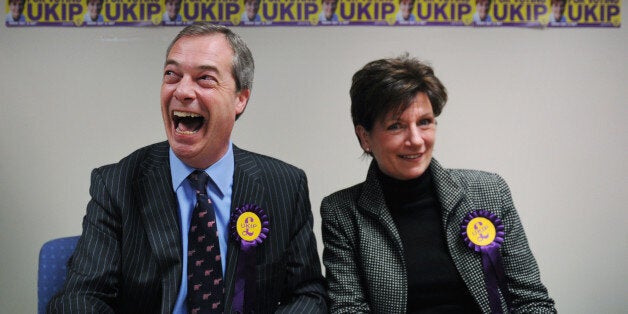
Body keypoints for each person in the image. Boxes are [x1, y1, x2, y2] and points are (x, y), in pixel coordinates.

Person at [48, 23, 327, 313]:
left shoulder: (284, 185)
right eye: (172, 75)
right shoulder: (117, 184)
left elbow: (307, 295)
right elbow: (79, 298)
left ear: (240, 99)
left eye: (204, 78)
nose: (182, 90)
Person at [321, 55, 556, 313]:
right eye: (396, 126)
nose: (416, 140)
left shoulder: (489, 190)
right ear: (365, 136)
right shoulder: (342, 212)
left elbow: (531, 301)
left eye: (424, 122)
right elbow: (348, 308)